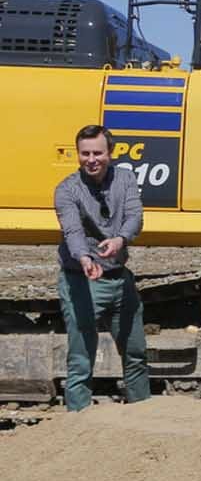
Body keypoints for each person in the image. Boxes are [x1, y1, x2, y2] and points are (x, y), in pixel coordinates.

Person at [52, 124, 149, 411]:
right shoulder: (66, 189)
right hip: (82, 281)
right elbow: (72, 230)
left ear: (110, 153)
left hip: (120, 278)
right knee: (81, 359)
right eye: (85, 154)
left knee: (135, 354)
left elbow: (135, 215)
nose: (91, 159)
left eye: (97, 153)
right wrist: (85, 258)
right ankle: (79, 422)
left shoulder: (126, 179)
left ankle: (142, 414)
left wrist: (120, 239)